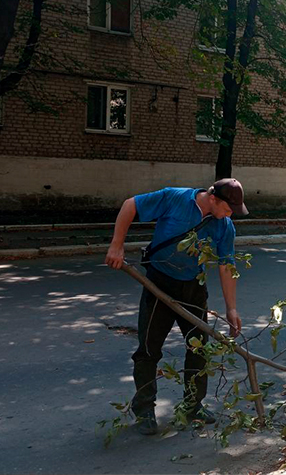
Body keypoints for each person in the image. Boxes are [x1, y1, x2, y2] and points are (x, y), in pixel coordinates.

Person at [104, 179, 247, 435]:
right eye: (228, 208)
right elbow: (130, 205)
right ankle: (145, 409)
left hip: (193, 289)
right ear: (213, 198)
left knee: (199, 348)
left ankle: (193, 406)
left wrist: (232, 308)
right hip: (158, 283)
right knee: (148, 349)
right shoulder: (174, 198)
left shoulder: (224, 226)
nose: (230, 215)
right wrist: (117, 244)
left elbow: (227, 266)